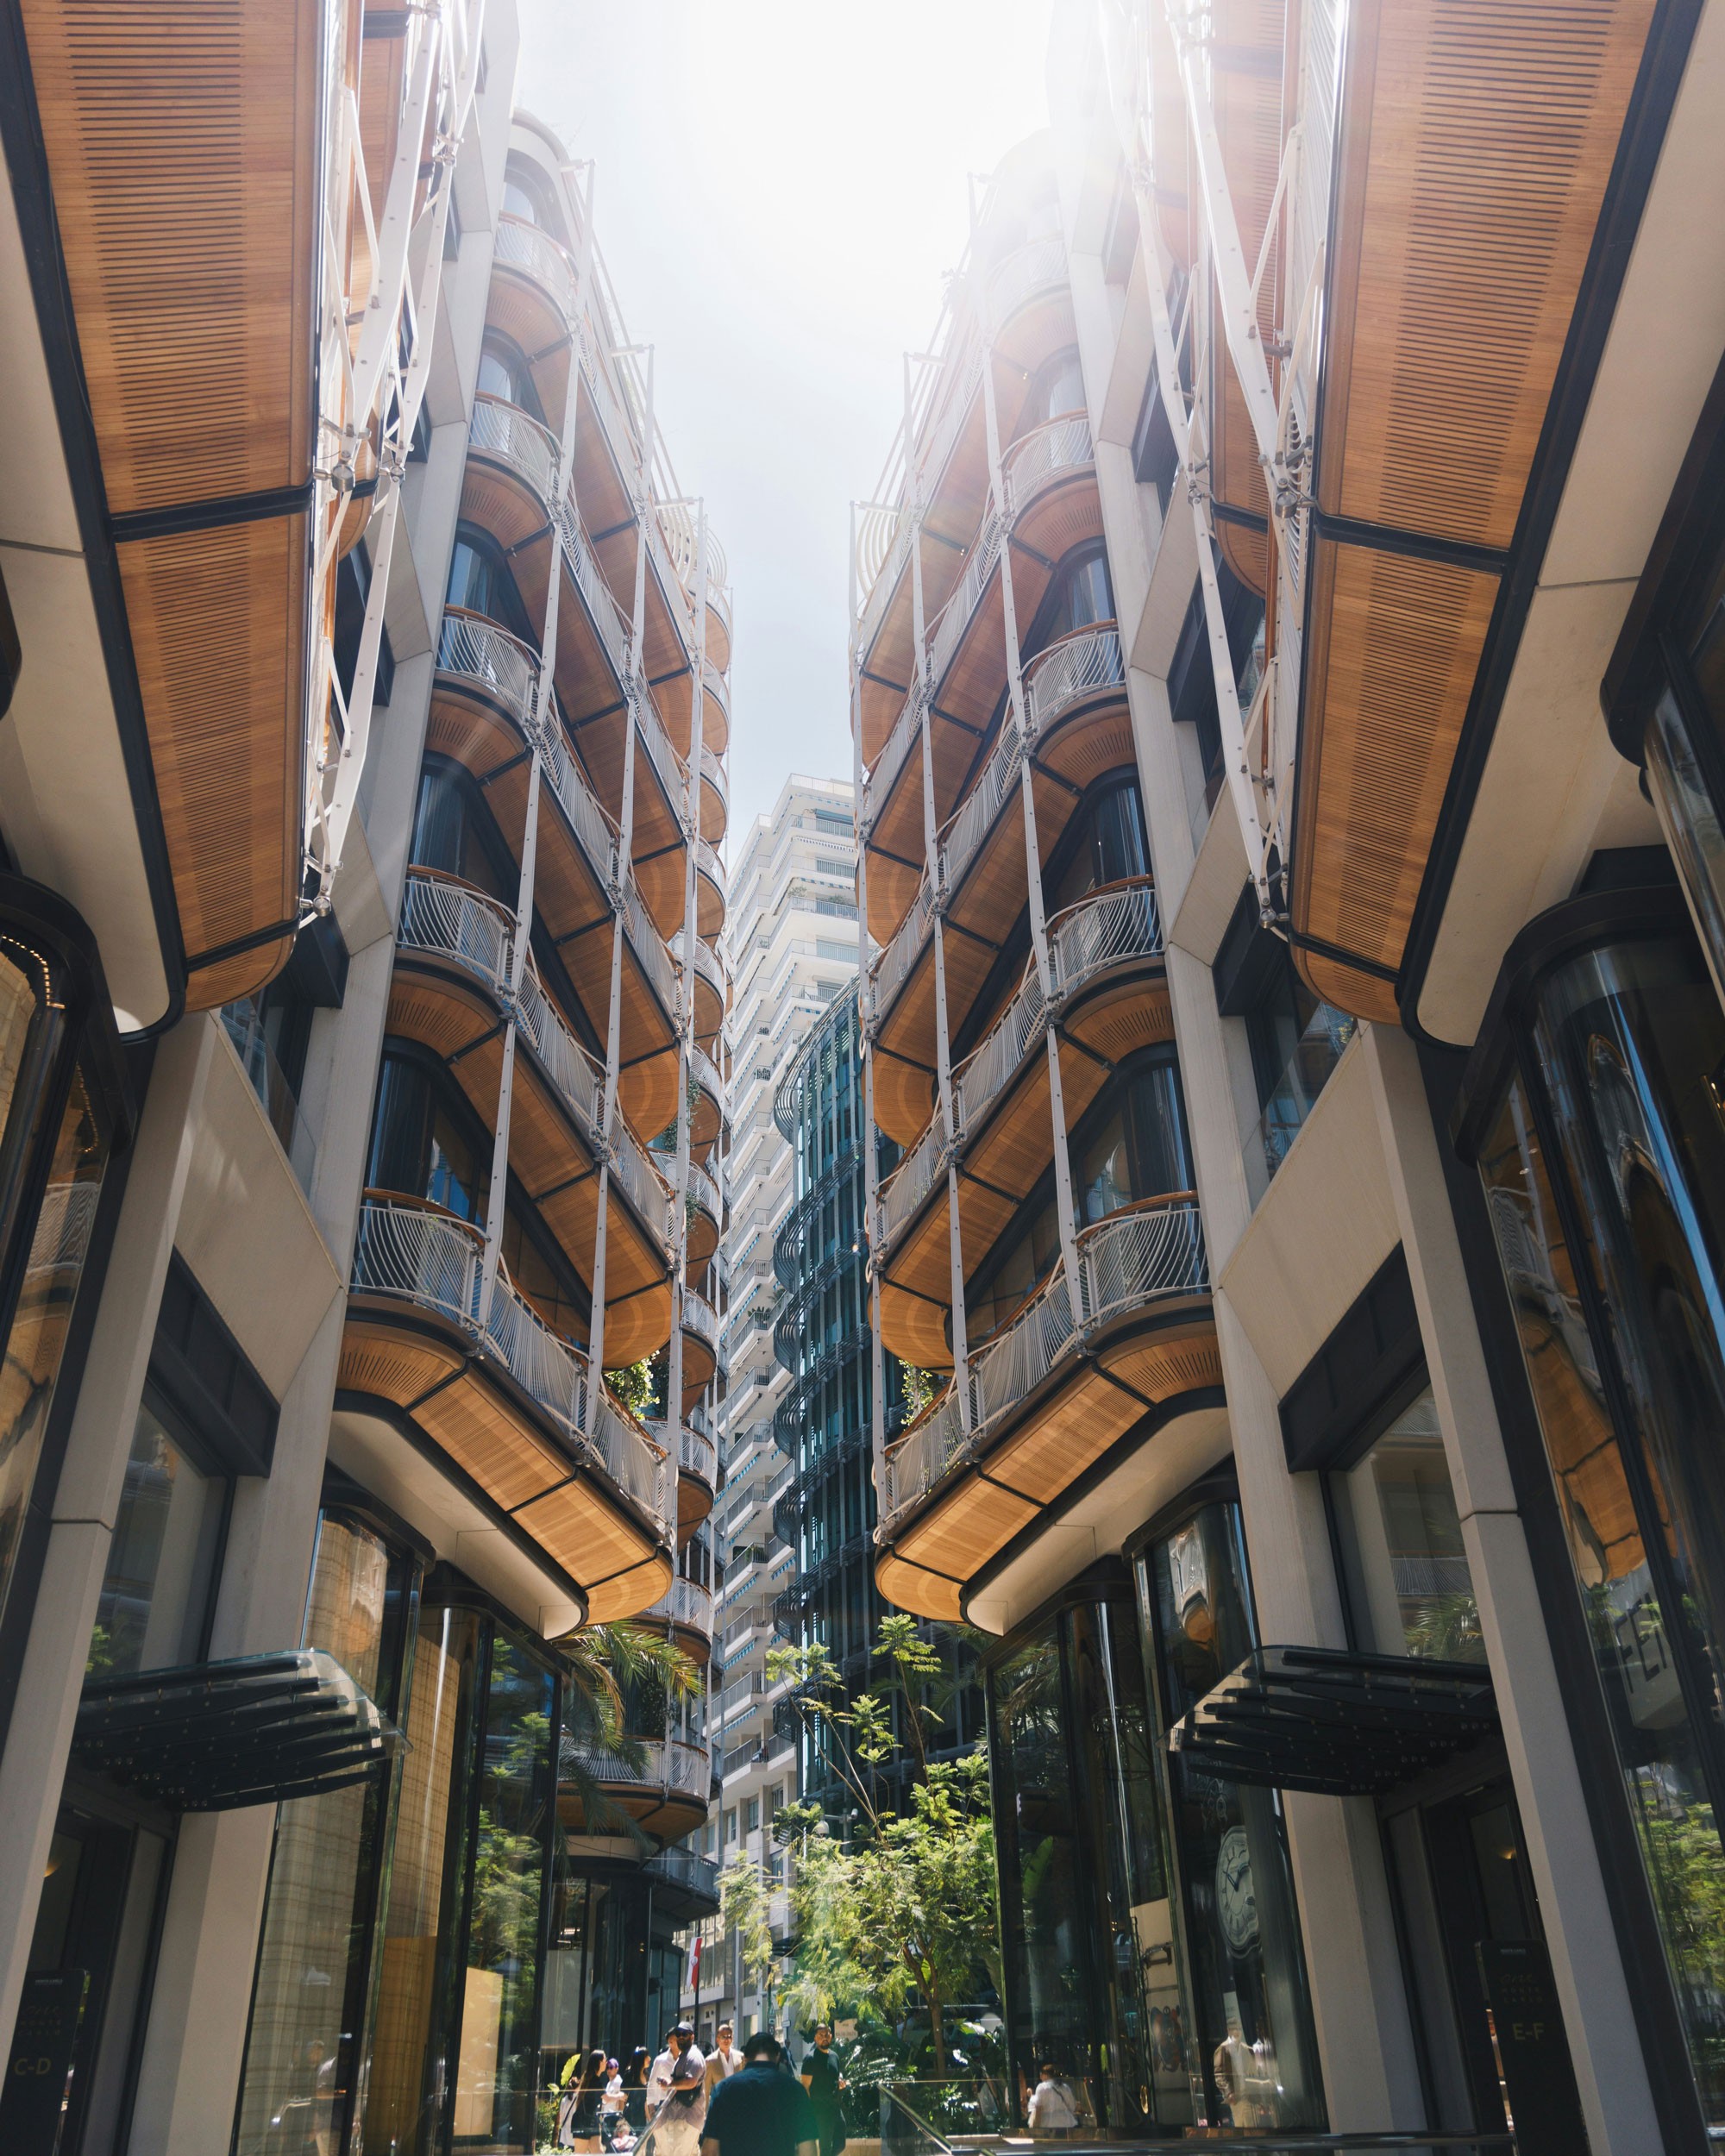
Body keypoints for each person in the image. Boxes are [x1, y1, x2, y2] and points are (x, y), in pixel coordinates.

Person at [700, 2032, 819, 2156]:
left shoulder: (723, 2089)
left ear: (745, 2058)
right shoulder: (796, 2090)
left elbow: (710, 2150)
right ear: (777, 2056)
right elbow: (808, 2148)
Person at [645, 2022, 706, 2156]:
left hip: (688, 2118)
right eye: (679, 2034)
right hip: (675, 2117)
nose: (681, 2037)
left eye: (685, 2034)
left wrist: (670, 2084)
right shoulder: (683, 2056)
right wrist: (651, 2109)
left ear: (692, 2037)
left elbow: (691, 2082)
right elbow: (651, 2086)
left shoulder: (693, 2056)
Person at [799, 2023, 847, 2156]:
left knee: (841, 2143)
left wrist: (841, 2083)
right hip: (820, 2109)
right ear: (815, 2038)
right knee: (825, 2146)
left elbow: (836, 2076)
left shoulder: (834, 2056)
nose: (824, 2038)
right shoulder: (810, 2059)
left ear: (831, 2037)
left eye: (826, 2035)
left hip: (835, 2106)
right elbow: (805, 2087)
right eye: (821, 2035)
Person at [1026, 2063, 1079, 2139]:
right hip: (1066, 2124)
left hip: (1047, 2126)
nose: (1040, 2077)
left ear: (1046, 2075)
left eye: (1041, 2075)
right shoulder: (1065, 2087)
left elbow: (1038, 2108)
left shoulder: (1042, 2087)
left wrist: (1035, 2126)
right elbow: (1072, 2106)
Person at [704, 2022, 741, 2091]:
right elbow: (706, 2089)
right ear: (717, 2039)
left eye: (729, 2037)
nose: (726, 2040)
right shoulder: (710, 2061)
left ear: (732, 2039)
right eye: (723, 2037)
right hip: (720, 2101)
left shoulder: (741, 2058)